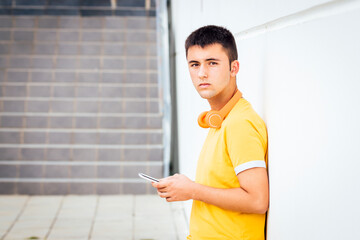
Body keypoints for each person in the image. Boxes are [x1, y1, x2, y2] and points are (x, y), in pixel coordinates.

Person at [152, 25, 269, 240]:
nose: (202, 73)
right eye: (194, 64)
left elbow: (258, 200)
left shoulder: (240, 123)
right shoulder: (221, 119)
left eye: (212, 63)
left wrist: (191, 190)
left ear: (234, 68)